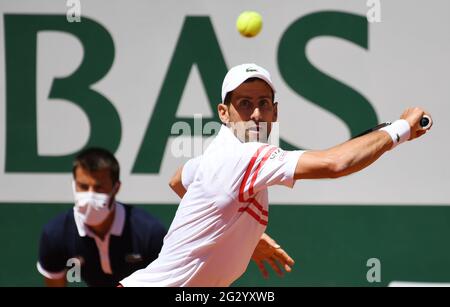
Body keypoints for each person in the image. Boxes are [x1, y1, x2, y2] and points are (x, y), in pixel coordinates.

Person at [119, 63, 433, 287]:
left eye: (263, 104)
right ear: (224, 113)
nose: (256, 113)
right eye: (244, 104)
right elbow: (337, 164)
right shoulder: (246, 155)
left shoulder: (216, 153)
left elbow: (177, 179)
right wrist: (400, 129)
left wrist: (232, 225)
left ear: (275, 112)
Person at [37, 148, 167, 287]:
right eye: (83, 186)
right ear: (74, 185)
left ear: (116, 188)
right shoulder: (55, 234)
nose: (90, 196)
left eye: (99, 188)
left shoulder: (150, 233)